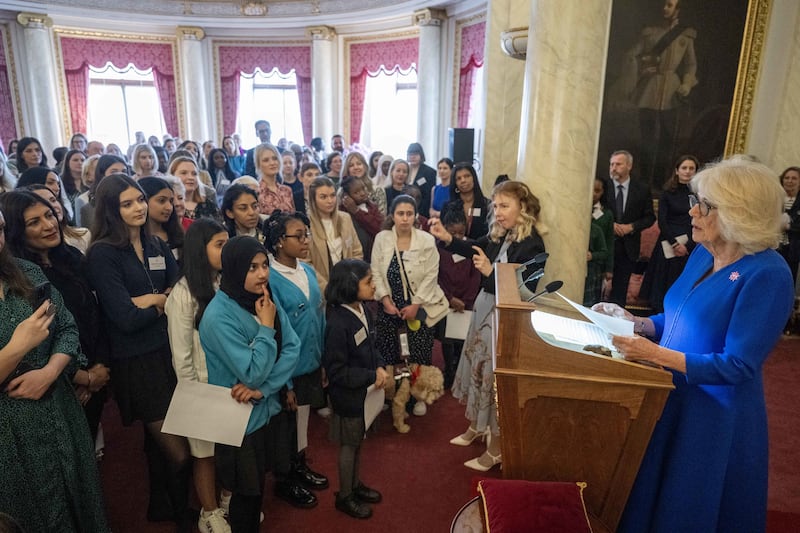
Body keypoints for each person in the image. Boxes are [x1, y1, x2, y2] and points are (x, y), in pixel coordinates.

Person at [592, 156, 794, 533]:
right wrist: (638, 323)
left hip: (713, 417)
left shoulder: (769, 275)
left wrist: (653, 354)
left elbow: (737, 366)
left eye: (705, 206)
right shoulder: (704, 252)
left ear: (740, 212)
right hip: (669, 395)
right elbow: (682, 317)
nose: (693, 212)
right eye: (694, 201)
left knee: (686, 508)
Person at [86, 174, 191, 528]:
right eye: (127, 203)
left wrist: (154, 299)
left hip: (169, 352)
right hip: (137, 361)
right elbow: (125, 319)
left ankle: (163, 505)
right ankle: (183, 517)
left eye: (140, 200)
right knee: (178, 451)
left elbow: (179, 295)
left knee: (161, 441)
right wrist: (159, 301)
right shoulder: (103, 253)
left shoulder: (157, 245)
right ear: (111, 210)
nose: (139, 207)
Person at [0, 207, 110, 533]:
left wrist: (50, 371)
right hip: (9, 428)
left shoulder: (25, 271)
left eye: (2, 229)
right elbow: (27, 339)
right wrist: (18, 346)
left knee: (79, 498)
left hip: (58, 406)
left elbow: (66, 329)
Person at [430, 180, 546, 471]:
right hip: (484, 307)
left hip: (505, 315)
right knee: (477, 369)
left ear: (523, 208)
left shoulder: (534, 244)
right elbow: (472, 248)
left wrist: (491, 272)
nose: (499, 211)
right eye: (496, 205)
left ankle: (495, 449)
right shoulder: (500, 233)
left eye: (505, 205)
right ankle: (476, 427)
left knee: (493, 378)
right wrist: (447, 239)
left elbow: (526, 291)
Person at [199, 236, 300, 532]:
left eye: (264, 265)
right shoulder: (218, 316)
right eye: (252, 267)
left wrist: (264, 390)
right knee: (245, 498)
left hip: (266, 410)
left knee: (257, 494)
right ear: (232, 270)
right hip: (239, 423)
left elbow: (292, 347)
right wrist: (266, 327)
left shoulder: (263, 298)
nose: (262, 274)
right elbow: (252, 372)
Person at [1, 189, 111, 442]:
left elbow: (97, 314)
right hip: (58, 382)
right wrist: (82, 377)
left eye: (49, 215)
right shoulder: (23, 277)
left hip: (94, 371)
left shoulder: (73, 258)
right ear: (16, 230)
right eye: (34, 222)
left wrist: (100, 369)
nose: (49, 225)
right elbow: (42, 340)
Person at [164, 218, 232, 533]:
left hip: (231, 381)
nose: (227, 249)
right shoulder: (183, 292)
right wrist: (192, 394)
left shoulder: (226, 282)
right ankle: (209, 511)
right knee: (204, 453)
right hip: (201, 385)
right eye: (219, 244)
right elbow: (182, 355)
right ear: (199, 249)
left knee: (229, 447)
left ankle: (229, 496)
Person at [264, 211, 329, 506]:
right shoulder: (271, 279)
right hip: (287, 368)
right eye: (298, 236)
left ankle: (299, 465)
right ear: (279, 242)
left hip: (311, 361)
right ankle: (285, 479)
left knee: (302, 420)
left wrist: (324, 359)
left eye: (307, 234)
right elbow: (276, 333)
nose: (305, 241)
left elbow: (319, 315)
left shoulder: (306, 269)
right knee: (285, 426)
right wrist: (285, 382)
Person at [323, 259, 389, 519]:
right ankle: (345, 495)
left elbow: (373, 347)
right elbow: (337, 371)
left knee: (359, 442)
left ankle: (354, 484)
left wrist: (381, 365)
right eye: (368, 282)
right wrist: (371, 375)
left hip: (364, 393)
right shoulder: (338, 323)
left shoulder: (363, 310)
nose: (374, 286)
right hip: (348, 396)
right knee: (349, 446)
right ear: (350, 286)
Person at [372, 195, 449, 416]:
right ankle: (393, 393)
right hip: (390, 307)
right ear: (392, 216)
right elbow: (375, 271)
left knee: (419, 351)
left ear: (416, 216)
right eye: (400, 213)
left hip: (418, 307)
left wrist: (416, 304)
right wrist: (385, 301)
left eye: (409, 213)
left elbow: (432, 274)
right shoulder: (382, 238)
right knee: (390, 351)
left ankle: (418, 396)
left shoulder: (425, 239)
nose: (405, 218)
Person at [619, 0, 698, 185]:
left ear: (677, 10)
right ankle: (644, 179)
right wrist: (635, 67)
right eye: (664, 5)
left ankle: (661, 181)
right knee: (647, 139)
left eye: (669, 5)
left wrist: (686, 84)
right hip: (649, 89)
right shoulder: (650, 33)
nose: (665, 8)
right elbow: (633, 54)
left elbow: (691, 64)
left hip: (672, 90)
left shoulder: (685, 36)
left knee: (667, 140)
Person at [640, 155, 698, 312]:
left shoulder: (699, 194)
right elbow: (662, 222)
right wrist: (675, 244)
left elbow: (700, 219)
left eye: (691, 168)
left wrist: (688, 245)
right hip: (668, 244)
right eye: (684, 168)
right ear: (677, 171)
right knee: (662, 286)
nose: (687, 171)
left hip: (690, 246)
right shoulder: (667, 193)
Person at [435, 207, 481, 389]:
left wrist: (466, 301)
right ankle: (449, 371)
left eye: (461, 233)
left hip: (467, 303)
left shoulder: (471, 246)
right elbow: (436, 276)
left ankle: (461, 369)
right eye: (452, 233)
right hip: (446, 301)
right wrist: (449, 298)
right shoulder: (438, 248)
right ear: (444, 229)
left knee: (463, 339)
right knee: (446, 339)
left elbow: (476, 276)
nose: (457, 237)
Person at [604, 150, 655, 306]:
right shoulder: (602, 187)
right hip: (605, 245)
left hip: (628, 247)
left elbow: (650, 217)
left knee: (619, 292)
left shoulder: (641, 189)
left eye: (618, 164)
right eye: (611, 164)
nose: (613, 168)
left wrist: (631, 227)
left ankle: (615, 326)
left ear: (629, 166)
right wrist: (609, 224)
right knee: (599, 290)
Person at [306, 177, 363, 293]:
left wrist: (350, 279)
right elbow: (306, 263)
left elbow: (357, 251)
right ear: (313, 199)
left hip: (348, 286)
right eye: (323, 197)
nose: (330, 200)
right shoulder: (306, 225)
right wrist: (327, 288)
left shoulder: (345, 218)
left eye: (332, 195)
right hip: (321, 289)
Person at [441, 162, 490, 240]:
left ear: (474, 178)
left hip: (479, 249)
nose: (463, 180)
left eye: (467, 176)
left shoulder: (487, 205)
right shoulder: (447, 206)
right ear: (455, 183)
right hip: (453, 249)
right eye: (458, 178)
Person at [340, 175, 384, 262]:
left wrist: (357, 212)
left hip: (375, 255)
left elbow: (379, 229)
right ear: (346, 196)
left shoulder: (372, 207)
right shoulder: (342, 212)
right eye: (356, 192)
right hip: (356, 258)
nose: (363, 193)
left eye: (363, 188)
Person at [139, 177, 185, 259]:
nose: (169, 207)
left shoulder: (179, 237)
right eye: (161, 201)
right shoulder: (136, 239)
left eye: (171, 201)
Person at [584, 178, 614, 305]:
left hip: (595, 264)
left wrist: (609, 269)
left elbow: (609, 242)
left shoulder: (606, 214)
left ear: (603, 192)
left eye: (597, 190)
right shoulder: (578, 209)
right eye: (592, 189)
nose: (594, 193)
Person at [170, 155, 219, 225]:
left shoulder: (209, 204)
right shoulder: (169, 205)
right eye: (184, 173)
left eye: (194, 174)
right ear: (172, 176)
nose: (191, 177)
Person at [256, 143, 294, 216]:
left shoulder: (287, 190)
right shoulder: (257, 192)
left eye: (275, 158)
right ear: (259, 164)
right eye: (266, 160)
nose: (272, 163)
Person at [778, 166, 800, 285]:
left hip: (792, 250)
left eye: (794, 178)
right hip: (773, 246)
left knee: (788, 280)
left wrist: (788, 227)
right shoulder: (775, 198)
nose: (790, 181)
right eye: (786, 178)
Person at [405, 143, 436, 217]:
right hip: (405, 207)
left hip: (422, 211)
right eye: (410, 154)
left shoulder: (429, 172)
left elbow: (429, 196)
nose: (412, 157)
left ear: (421, 155)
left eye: (415, 154)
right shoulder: (405, 169)